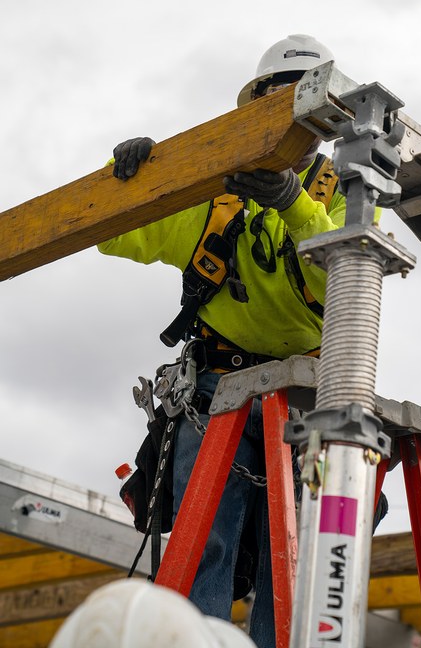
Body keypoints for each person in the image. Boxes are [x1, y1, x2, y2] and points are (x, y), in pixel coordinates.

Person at [98, 34, 385, 648]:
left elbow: (347, 280)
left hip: (306, 399)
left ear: (328, 118)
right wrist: (138, 174)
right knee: (205, 551)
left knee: (291, 569)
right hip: (215, 393)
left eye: (300, 101)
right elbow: (115, 232)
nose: (286, 114)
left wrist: (293, 206)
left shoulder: (354, 188)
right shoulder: (217, 197)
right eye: (272, 100)